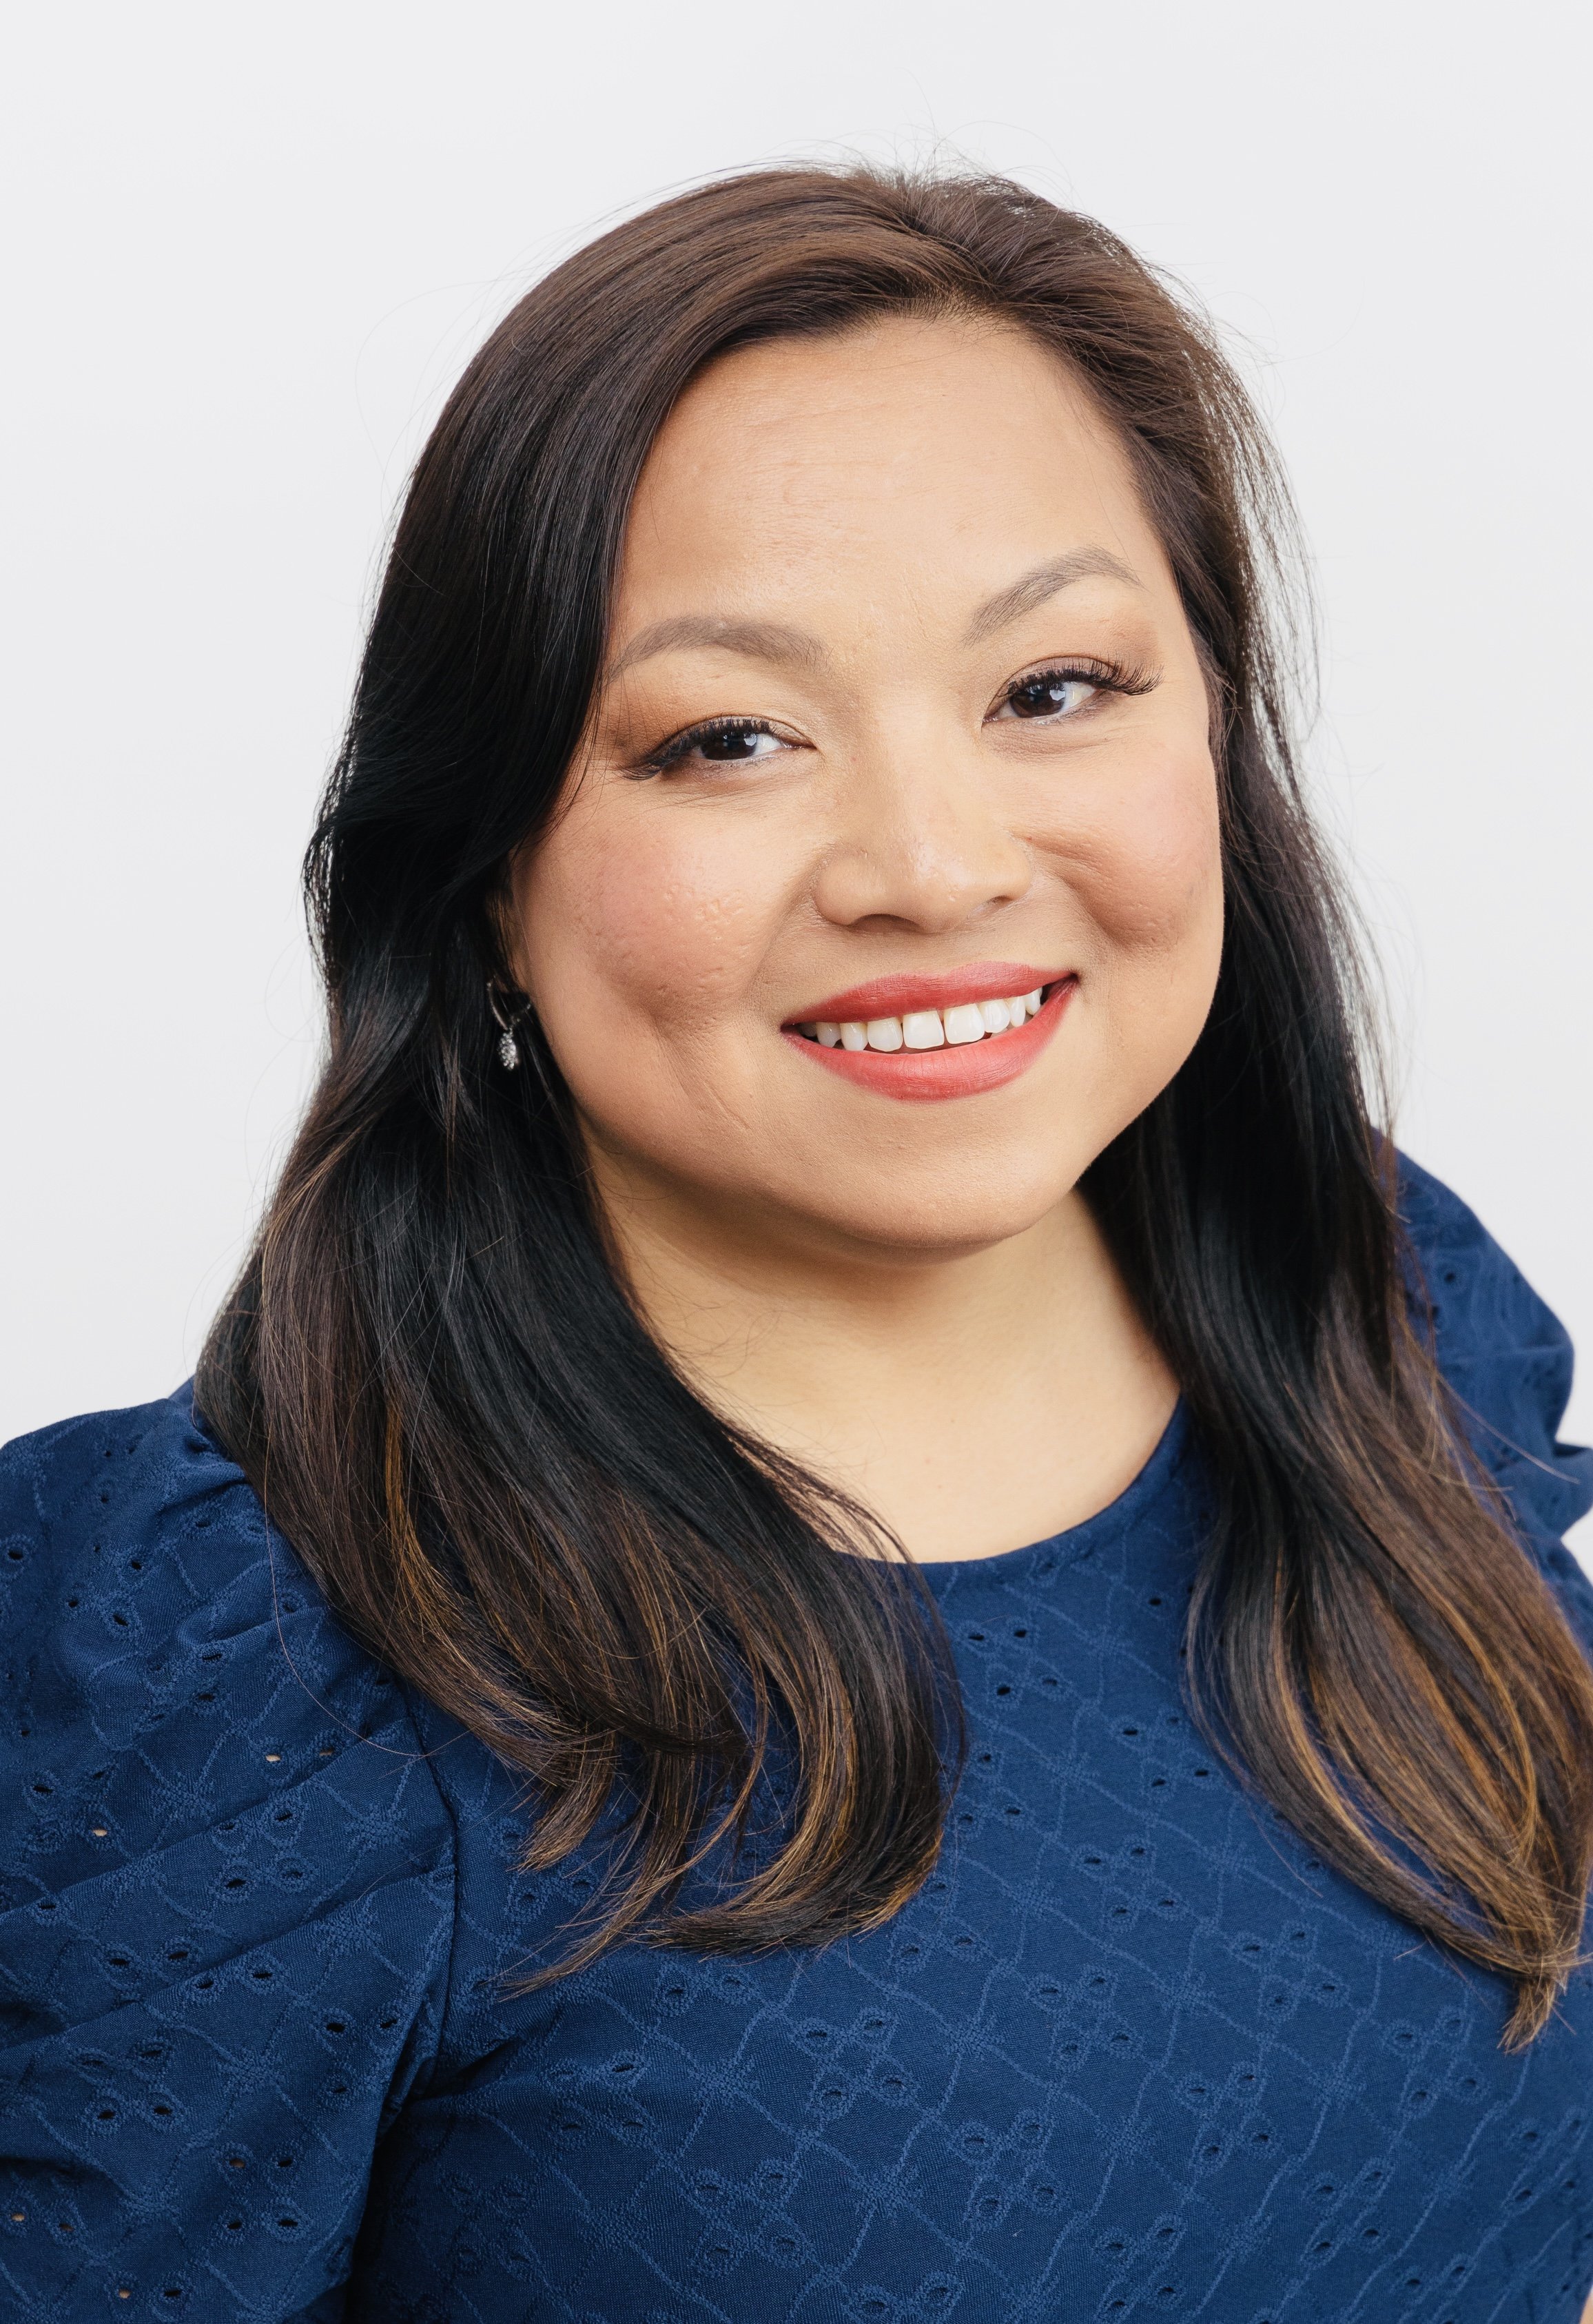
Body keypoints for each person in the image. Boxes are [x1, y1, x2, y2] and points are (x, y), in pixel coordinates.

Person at [4, 165, 1592, 2324]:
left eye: (1056, 686)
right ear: (484, 873)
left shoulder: (1380, 1310)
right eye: (729, 738)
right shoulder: (244, 1682)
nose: (931, 865)